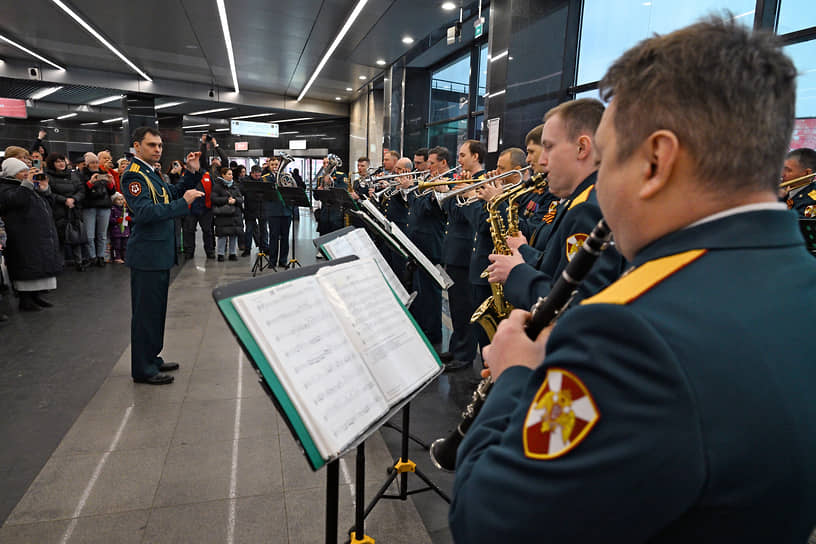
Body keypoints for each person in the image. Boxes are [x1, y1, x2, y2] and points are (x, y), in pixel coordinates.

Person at [450, 17, 816, 542]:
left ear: (655, 161)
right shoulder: (801, 278)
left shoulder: (625, 335)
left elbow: (488, 522)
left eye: (610, 155)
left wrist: (513, 377)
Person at [487, 99, 625, 311]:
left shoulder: (588, 209)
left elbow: (575, 305)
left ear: (582, 148)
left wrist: (516, 273)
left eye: (549, 147)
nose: (542, 161)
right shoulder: (581, 200)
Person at [121, 127, 204, 385]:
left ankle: (152, 358)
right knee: (145, 314)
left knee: (156, 312)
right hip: (147, 254)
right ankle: (143, 369)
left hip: (158, 253)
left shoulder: (151, 172)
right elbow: (145, 213)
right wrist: (184, 204)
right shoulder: (133, 176)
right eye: (151, 145)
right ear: (137, 146)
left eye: (159, 145)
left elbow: (172, 194)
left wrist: (191, 172)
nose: (157, 149)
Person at [0, 158, 61, 311]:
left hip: (37, 233)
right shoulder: (5, 187)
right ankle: (25, 299)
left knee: (37, 265)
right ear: (13, 174)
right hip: (22, 234)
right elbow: (16, 200)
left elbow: (49, 203)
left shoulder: (26, 186)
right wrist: (27, 184)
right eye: (22, 171)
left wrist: (45, 189)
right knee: (26, 265)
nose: (26, 173)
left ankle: (36, 296)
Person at [45, 152, 88, 270]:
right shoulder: (47, 176)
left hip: (74, 209)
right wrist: (64, 200)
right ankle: (60, 264)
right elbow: (48, 193)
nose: (61, 163)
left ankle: (79, 262)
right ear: (52, 163)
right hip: (58, 210)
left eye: (62, 161)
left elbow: (81, 190)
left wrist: (74, 199)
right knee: (60, 238)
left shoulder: (73, 174)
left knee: (76, 236)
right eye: (57, 161)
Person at [80, 152, 116, 267]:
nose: (95, 165)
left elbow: (112, 192)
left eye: (96, 162)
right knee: (90, 235)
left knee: (102, 234)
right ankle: (92, 256)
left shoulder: (104, 173)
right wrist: (90, 183)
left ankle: (101, 256)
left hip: (104, 206)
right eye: (92, 163)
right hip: (89, 207)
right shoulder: (82, 175)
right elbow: (82, 192)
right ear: (87, 164)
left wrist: (110, 183)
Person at [261, 157, 293, 268]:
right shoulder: (266, 178)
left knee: (285, 237)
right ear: (269, 166)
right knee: (273, 237)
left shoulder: (287, 176)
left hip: (286, 211)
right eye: (273, 165)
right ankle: (272, 261)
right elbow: (266, 193)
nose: (275, 167)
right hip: (273, 211)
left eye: (276, 165)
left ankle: (283, 260)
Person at [212, 166, 244, 261]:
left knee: (233, 234)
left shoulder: (235, 186)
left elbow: (241, 198)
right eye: (229, 174)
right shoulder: (217, 186)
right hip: (223, 214)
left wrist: (235, 200)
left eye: (232, 174)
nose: (231, 176)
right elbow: (213, 199)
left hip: (235, 214)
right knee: (222, 235)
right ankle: (220, 254)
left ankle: (232, 253)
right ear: (223, 175)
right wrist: (226, 200)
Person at [781, 148, 816, 217]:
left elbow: (800, 221)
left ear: (807, 173)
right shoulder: (786, 191)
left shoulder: (813, 200)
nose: (782, 174)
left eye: (788, 170)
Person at [240, 165, 264, 256]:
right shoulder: (245, 180)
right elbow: (241, 191)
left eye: (259, 176)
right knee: (249, 230)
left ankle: (264, 247)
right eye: (256, 176)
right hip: (249, 209)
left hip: (261, 208)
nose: (258, 178)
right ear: (251, 173)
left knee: (263, 230)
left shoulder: (262, 180)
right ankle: (247, 249)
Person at [108, 192, 131, 263]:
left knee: (125, 245)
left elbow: (129, 218)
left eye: (122, 199)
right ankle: (117, 257)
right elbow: (110, 219)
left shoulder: (126, 209)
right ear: (114, 201)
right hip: (116, 231)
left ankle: (124, 257)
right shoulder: (113, 209)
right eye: (118, 199)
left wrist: (129, 219)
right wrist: (117, 220)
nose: (121, 201)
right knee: (117, 245)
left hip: (125, 230)